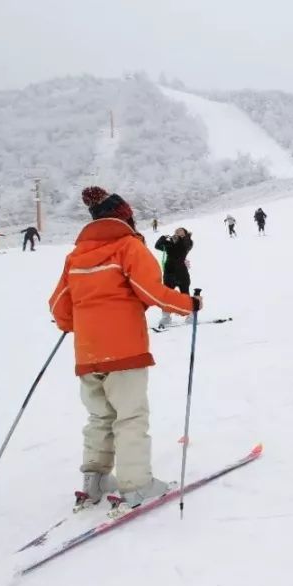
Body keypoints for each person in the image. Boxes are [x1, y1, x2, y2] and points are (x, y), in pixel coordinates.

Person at [49, 186, 199, 511]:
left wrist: (83, 324)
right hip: (125, 353)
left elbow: (60, 307)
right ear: (125, 217)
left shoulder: (75, 256)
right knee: (130, 416)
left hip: (88, 354)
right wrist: (191, 304)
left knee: (100, 416)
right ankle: (136, 486)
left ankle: (95, 480)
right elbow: (153, 293)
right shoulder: (128, 247)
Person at [154, 227, 194, 329]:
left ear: (185, 233)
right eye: (176, 231)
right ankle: (166, 317)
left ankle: (190, 315)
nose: (177, 232)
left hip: (182, 272)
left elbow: (185, 244)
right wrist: (163, 238)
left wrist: (178, 238)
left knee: (185, 294)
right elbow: (157, 246)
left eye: (180, 230)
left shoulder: (187, 242)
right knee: (167, 296)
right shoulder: (170, 242)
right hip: (169, 272)